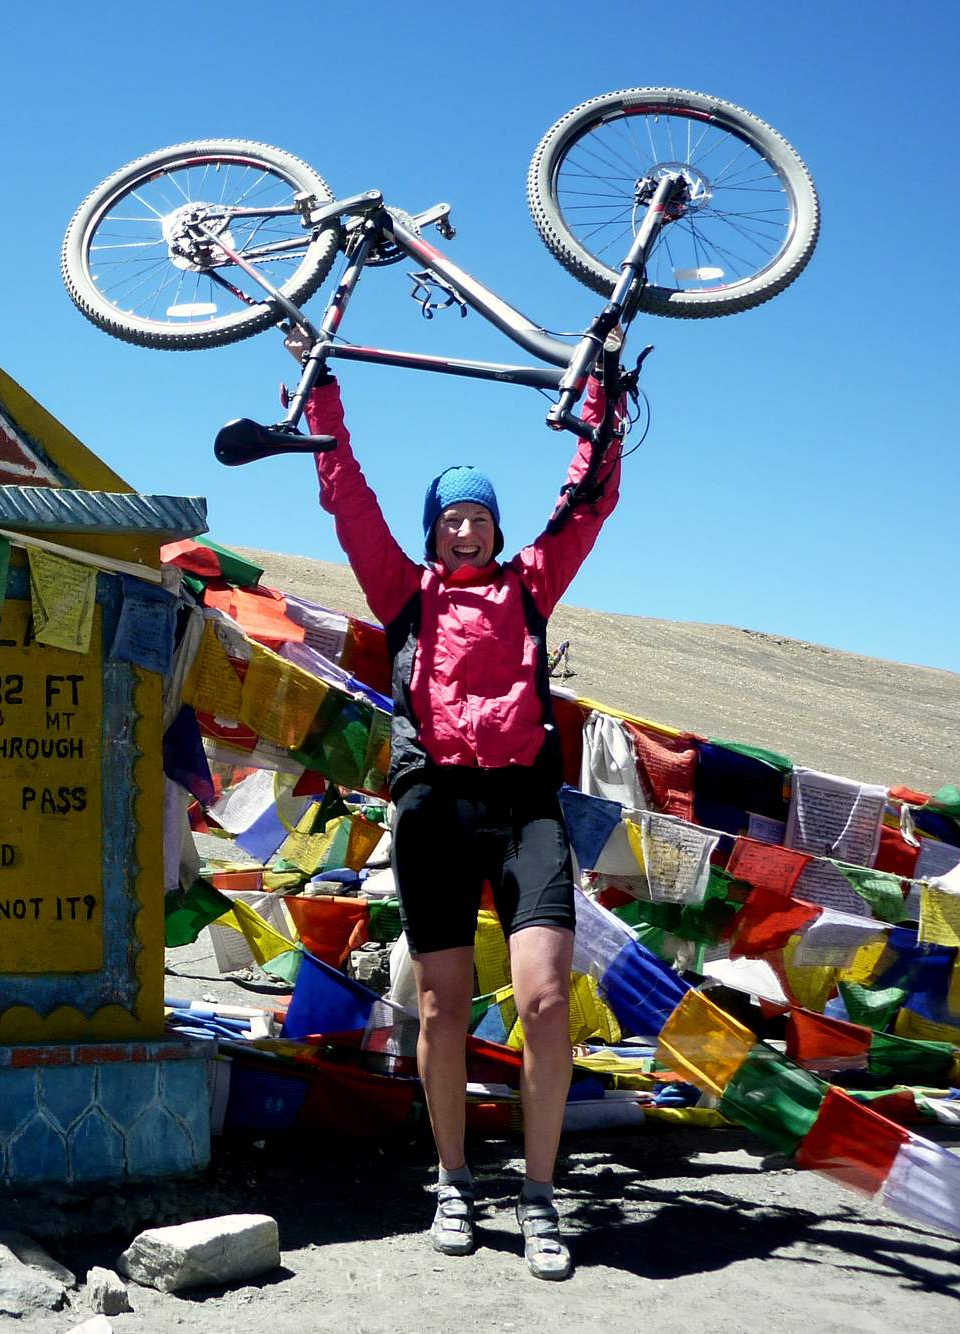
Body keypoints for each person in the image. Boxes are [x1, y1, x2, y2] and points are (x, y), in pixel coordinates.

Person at [299, 358, 622, 1281]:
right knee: (440, 1003)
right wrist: (321, 391)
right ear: (434, 529)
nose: (466, 526)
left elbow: (587, 501)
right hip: (434, 807)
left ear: (497, 524)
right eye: (450, 515)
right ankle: (450, 1179)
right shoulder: (405, 592)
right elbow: (346, 496)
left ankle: (540, 1195)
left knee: (546, 1001)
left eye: (478, 513)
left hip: (526, 807)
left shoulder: (530, 584)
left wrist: (604, 395)